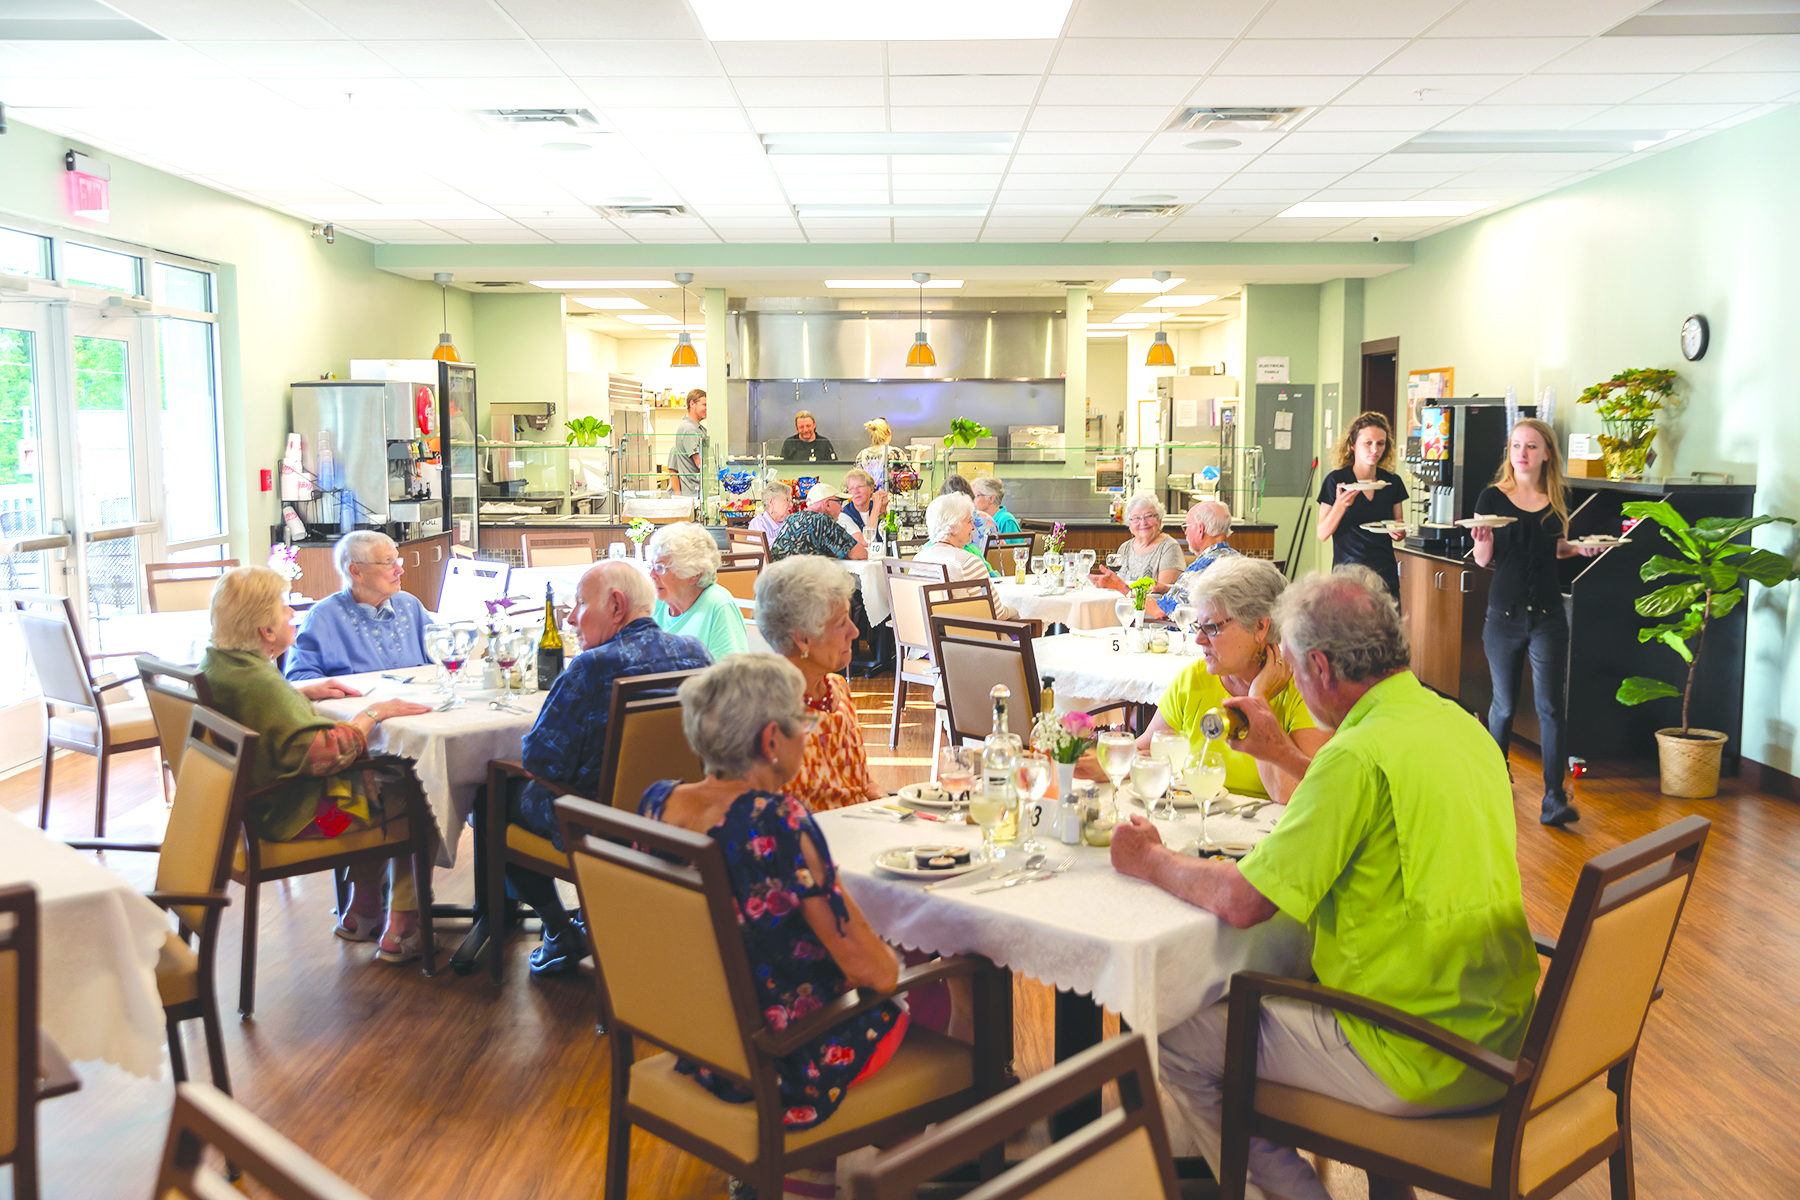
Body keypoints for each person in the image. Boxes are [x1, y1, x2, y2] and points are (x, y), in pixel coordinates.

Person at [1110, 566, 1541, 1200]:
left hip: (1412, 1050)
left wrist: (1151, 860)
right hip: (1504, 1030)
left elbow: (1243, 900)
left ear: (1321, 668)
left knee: (1176, 1033)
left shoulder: (1355, 756)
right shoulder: (1460, 726)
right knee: (1291, 971)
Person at [641, 654, 907, 1199]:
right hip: (780, 1058)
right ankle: (896, 1177)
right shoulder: (778, 821)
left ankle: (799, 1174)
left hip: (704, 1043)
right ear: (770, 741)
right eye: (801, 724)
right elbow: (873, 971)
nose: (806, 736)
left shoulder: (658, 803)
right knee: (915, 1003)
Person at [201, 567, 437, 963]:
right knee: (422, 791)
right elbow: (328, 753)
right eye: (282, 606)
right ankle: (402, 924)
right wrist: (374, 713)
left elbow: (268, 707)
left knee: (379, 782)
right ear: (266, 631)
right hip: (299, 816)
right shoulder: (260, 685)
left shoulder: (223, 666)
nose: (290, 612)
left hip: (251, 810)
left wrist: (297, 690)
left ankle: (363, 911)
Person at [500, 562, 713, 974]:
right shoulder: (695, 652)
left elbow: (540, 761)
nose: (571, 617)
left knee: (491, 796)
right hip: (673, 816)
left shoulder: (590, 667)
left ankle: (560, 931)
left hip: (601, 822)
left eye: (580, 603)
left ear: (617, 605)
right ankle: (592, 918)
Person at [1471, 417, 1601, 828]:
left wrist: (1579, 550)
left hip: (1547, 616)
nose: (1522, 454)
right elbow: (1481, 560)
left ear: (1547, 453)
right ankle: (1492, 777)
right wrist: (1483, 542)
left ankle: (1553, 798)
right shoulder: (1491, 497)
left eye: (1530, 446)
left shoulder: (1558, 496)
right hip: (1503, 616)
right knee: (1504, 705)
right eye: (1515, 446)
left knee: (1550, 708)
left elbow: (1555, 548)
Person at [1131, 557, 1327, 803]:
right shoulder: (1194, 678)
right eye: (1197, 626)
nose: (1199, 640)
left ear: (1260, 627)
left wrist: (1258, 698)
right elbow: (1146, 751)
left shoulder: (1304, 689)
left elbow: (1290, 793)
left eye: (1211, 628)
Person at [755, 557, 881, 812]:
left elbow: (862, 784)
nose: (855, 632)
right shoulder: (766, 715)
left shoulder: (837, 688)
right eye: (841, 622)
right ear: (802, 638)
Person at [284, 530, 432, 680]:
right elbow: (298, 678)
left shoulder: (409, 605)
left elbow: (444, 655)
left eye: (397, 561)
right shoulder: (323, 617)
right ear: (356, 572)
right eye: (388, 563)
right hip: (360, 702)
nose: (400, 570)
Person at [1316, 411, 1410, 602]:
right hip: (1347, 577)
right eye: (1368, 443)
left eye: (1380, 443)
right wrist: (1340, 506)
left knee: (1387, 631)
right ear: (1353, 445)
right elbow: (1322, 533)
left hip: (1385, 575)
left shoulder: (1392, 482)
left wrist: (1398, 532)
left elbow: (1399, 528)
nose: (1374, 450)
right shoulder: (1337, 481)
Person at [648, 522, 750, 661]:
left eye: (660, 567)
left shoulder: (718, 606)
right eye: (652, 565)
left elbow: (732, 674)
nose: (652, 574)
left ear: (694, 573)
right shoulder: (655, 603)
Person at [911, 493, 1018, 618]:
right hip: (967, 636)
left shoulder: (919, 559)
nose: (973, 527)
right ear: (952, 527)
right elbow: (997, 614)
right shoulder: (967, 562)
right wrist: (1015, 611)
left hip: (928, 635)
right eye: (969, 521)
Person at [1144, 499, 1239, 621]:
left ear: (1200, 530)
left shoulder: (1202, 566)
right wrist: (1167, 588)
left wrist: (1119, 586)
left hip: (1196, 636)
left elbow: (1159, 610)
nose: (1186, 532)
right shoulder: (1239, 561)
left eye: (1186, 527)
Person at [1090, 493, 1186, 593]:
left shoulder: (1169, 547)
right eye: (1136, 518)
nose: (1143, 523)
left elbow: (1164, 595)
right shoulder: (1125, 548)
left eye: (1149, 516)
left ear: (1160, 520)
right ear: (1129, 524)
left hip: (1151, 606)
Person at [768, 483, 869, 563]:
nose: (842, 508)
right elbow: (861, 555)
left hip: (777, 583)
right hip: (802, 586)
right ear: (827, 504)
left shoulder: (791, 518)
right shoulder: (824, 521)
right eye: (839, 502)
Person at [939, 474, 999, 556]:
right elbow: (1000, 553)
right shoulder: (987, 520)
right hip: (987, 565)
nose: (973, 528)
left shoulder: (940, 522)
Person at [667, 388, 707, 496]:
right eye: (704, 405)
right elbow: (700, 463)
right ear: (692, 404)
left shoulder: (697, 428)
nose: (707, 408)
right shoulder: (689, 430)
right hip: (693, 492)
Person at [854, 416, 907, 488]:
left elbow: (855, 481)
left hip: (867, 498)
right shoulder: (895, 453)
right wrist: (918, 455)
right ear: (889, 432)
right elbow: (909, 479)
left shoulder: (861, 455)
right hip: (890, 498)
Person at [838, 468, 890, 539]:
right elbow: (866, 540)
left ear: (871, 489)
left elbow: (888, 536)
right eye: (852, 488)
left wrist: (883, 509)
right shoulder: (844, 516)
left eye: (860, 486)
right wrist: (876, 507)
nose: (856, 491)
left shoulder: (875, 506)